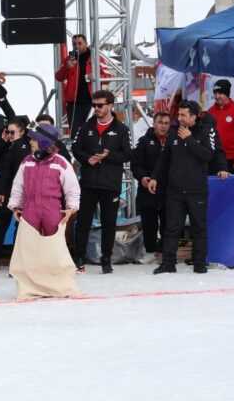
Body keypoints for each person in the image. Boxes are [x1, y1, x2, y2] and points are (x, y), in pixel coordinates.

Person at [6, 124, 82, 299]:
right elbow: (18, 186)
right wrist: (15, 206)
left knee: (55, 249)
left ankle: (60, 286)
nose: (30, 142)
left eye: (33, 139)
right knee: (28, 249)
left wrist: (71, 208)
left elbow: (72, 188)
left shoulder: (61, 162)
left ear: (43, 141)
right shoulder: (27, 161)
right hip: (30, 207)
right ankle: (29, 287)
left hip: (52, 207)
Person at [150, 102, 217, 274]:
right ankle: (168, 263)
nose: (178, 118)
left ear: (194, 117)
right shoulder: (173, 134)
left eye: (183, 115)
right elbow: (163, 160)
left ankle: (199, 263)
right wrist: (154, 178)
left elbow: (208, 155)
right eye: (178, 115)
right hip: (175, 191)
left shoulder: (206, 131)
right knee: (171, 228)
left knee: (199, 228)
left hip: (197, 190)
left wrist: (189, 139)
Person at [71, 90, 133, 274]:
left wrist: (109, 156)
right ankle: (79, 257)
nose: (96, 108)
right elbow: (76, 148)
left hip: (110, 184)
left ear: (110, 106)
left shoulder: (122, 129)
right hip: (89, 183)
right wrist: (86, 158)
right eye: (94, 105)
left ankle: (106, 258)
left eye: (100, 105)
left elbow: (128, 154)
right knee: (83, 222)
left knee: (109, 223)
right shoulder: (86, 127)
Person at [0, 117, 30, 270]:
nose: (9, 135)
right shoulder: (7, 145)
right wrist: (1, 192)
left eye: (12, 132)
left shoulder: (27, 145)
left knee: (18, 226)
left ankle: (15, 262)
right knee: (0, 227)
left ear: (22, 131)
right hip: (7, 192)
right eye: (7, 132)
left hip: (21, 193)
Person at [131, 112, 171, 254]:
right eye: (160, 122)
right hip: (148, 191)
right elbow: (135, 165)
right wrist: (142, 177)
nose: (163, 126)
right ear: (154, 123)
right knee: (149, 225)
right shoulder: (144, 141)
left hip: (168, 191)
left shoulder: (174, 141)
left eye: (166, 123)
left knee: (168, 225)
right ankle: (150, 252)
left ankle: (167, 253)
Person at [55, 35, 107, 139]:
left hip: (92, 103)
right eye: (74, 44)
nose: (76, 46)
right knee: (76, 135)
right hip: (74, 104)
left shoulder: (96, 58)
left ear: (86, 44)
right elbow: (58, 77)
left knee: (94, 133)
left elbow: (108, 75)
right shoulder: (68, 60)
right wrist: (66, 68)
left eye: (79, 43)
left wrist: (97, 76)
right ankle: (78, 154)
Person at [207, 80, 234, 170]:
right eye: (215, 93)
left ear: (227, 94)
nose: (217, 96)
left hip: (232, 158)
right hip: (214, 157)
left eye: (220, 93)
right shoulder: (210, 111)